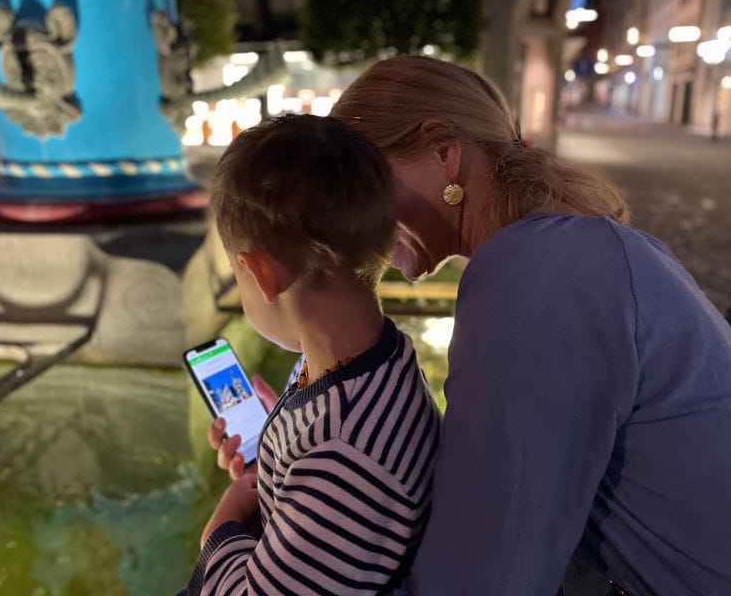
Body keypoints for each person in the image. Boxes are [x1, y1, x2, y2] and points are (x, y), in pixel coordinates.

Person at [214, 56, 731, 595]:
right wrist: (305, 444)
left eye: (362, 183)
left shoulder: (533, 280)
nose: (348, 219)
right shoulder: (575, 246)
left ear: (444, 152)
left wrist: (225, 533)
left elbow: (482, 579)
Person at [184, 114, 440, 595]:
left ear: (260, 273)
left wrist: (222, 525)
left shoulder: (344, 456)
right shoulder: (378, 359)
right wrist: (277, 446)